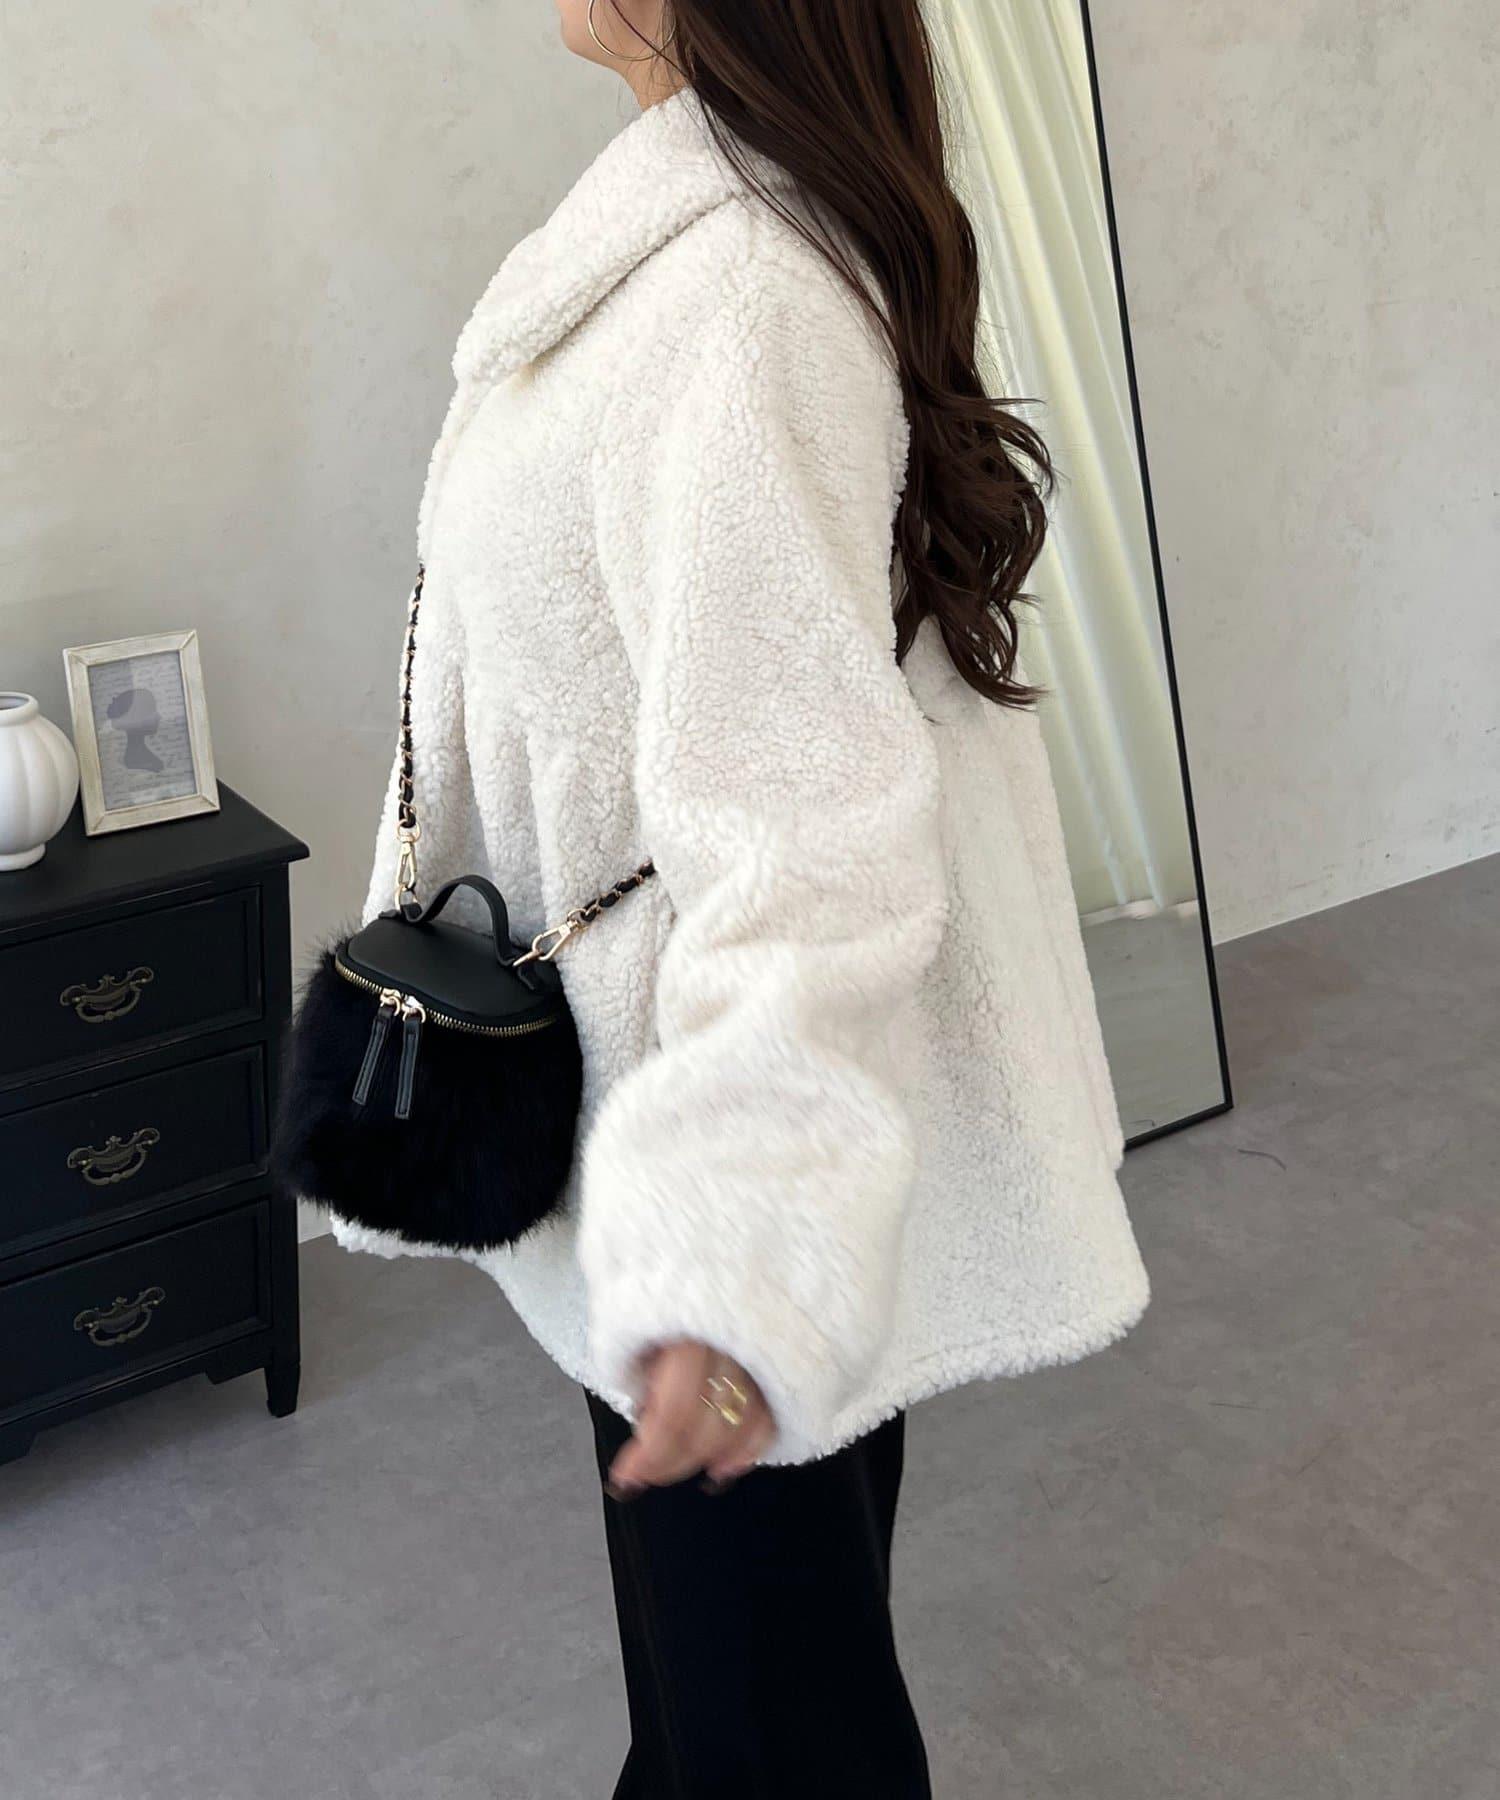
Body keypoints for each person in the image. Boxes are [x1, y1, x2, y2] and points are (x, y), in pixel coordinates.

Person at [340, 2, 1151, 1791]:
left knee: (775, 1736)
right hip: (657, 1123)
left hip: (723, 1152)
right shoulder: (671, 244)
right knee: (718, 1709)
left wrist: (737, 1247)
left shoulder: (739, 298)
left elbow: (808, 826)